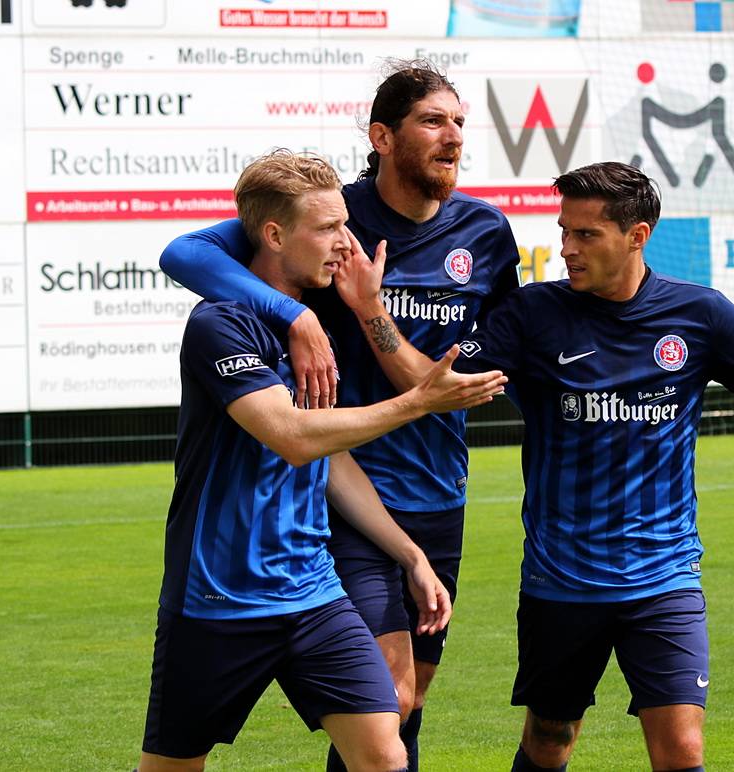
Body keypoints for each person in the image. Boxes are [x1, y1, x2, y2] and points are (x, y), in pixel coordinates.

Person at [337, 160, 734, 771]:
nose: (567, 249)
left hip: (666, 577)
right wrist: (372, 311)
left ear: (637, 236)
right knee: (550, 738)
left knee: (682, 747)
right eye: (564, 232)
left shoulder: (701, 314)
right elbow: (431, 386)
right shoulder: (531, 315)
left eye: (586, 235)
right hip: (561, 581)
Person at [158, 60, 520, 770]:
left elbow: (445, 379)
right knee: (389, 699)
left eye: (458, 122)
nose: (453, 136)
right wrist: (295, 314)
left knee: (403, 709)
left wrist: (372, 315)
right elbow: (183, 253)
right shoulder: (324, 217)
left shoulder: (485, 231)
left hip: (434, 494)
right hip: (329, 507)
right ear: (383, 137)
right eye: (433, 121)